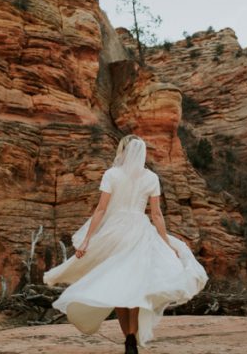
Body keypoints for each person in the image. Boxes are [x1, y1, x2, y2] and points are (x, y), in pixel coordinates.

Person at [43, 134, 209, 353]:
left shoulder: (112, 174)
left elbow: (101, 210)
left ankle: (129, 337)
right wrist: (166, 242)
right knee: (134, 285)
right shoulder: (151, 178)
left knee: (119, 285)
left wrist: (87, 240)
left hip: (115, 232)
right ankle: (131, 338)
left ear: (123, 151)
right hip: (140, 230)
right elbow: (157, 215)